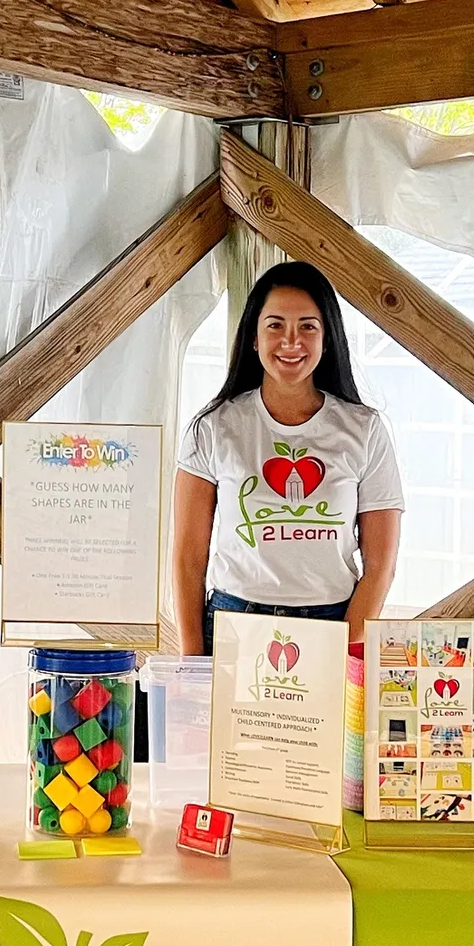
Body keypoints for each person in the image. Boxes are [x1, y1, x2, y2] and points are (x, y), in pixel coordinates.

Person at [173, 261, 403, 654]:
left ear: (328, 338)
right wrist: (192, 662)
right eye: (275, 325)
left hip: (330, 626)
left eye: (308, 327)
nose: (291, 341)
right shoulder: (214, 427)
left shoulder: (363, 429)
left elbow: (381, 564)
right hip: (235, 625)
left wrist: (344, 650)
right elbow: (188, 557)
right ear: (254, 338)